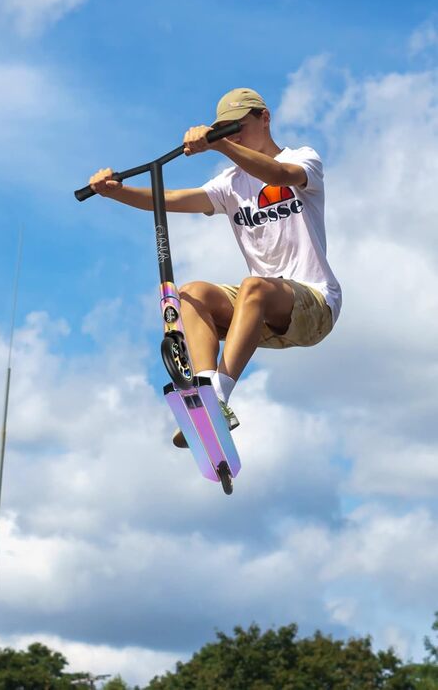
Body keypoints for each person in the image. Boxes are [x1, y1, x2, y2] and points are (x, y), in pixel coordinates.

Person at [88, 87, 341, 445]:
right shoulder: (229, 184)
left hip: (315, 305)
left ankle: (218, 396)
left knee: (255, 285)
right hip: (262, 314)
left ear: (264, 118)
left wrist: (219, 144)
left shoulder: (303, 158)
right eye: (225, 130)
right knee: (191, 294)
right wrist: (115, 192)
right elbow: (172, 199)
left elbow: (281, 174)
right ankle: (207, 395)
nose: (233, 137)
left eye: (237, 128)